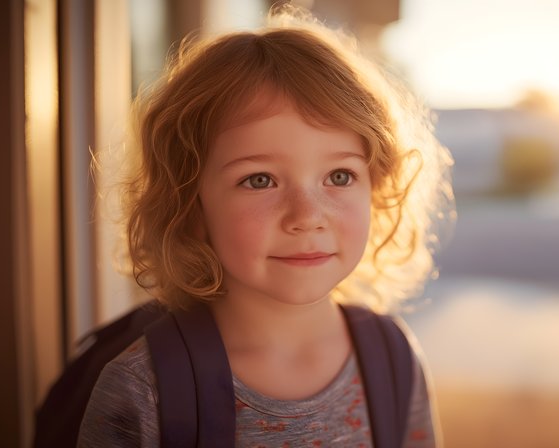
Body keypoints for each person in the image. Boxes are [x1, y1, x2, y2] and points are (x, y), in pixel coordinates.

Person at [78, 6, 453, 447]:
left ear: (376, 186)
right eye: (260, 180)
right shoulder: (145, 389)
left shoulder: (392, 357)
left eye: (339, 176)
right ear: (191, 206)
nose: (307, 215)